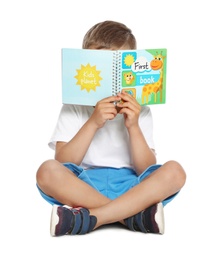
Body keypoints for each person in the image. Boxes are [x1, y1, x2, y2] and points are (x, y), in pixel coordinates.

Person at [36, 20, 186, 236]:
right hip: (83, 187)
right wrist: (94, 122)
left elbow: (146, 168)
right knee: (47, 170)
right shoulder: (74, 105)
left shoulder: (140, 108)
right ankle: (132, 217)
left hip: (133, 188)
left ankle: (92, 218)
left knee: (175, 171)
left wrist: (133, 126)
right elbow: (63, 162)